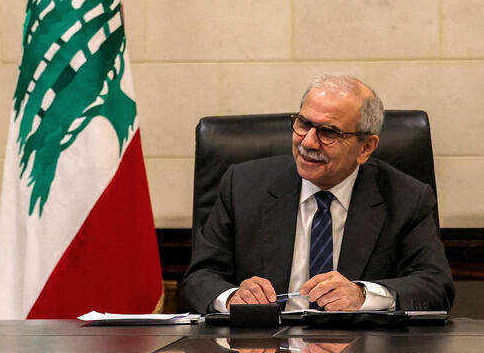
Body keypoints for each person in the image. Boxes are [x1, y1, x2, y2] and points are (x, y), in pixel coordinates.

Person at [183, 75, 453, 313]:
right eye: (303, 124)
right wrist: (233, 299)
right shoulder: (242, 186)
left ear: (365, 148)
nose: (308, 142)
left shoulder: (406, 198)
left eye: (328, 132)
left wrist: (363, 296)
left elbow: (435, 285)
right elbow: (202, 276)